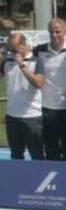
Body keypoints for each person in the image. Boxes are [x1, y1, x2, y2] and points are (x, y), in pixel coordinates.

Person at [33, 18, 66, 161]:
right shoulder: (39, 51)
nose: (54, 35)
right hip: (47, 106)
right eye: (51, 32)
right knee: (50, 147)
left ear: (65, 32)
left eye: (58, 32)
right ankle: (53, 181)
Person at [2, 32, 45, 160]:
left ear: (24, 45)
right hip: (12, 116)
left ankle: (39, 179)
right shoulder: (7, 62)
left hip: (31, 116)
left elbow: (39, 83)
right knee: (15, 155)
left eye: (14, 48)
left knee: (36, 154)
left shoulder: (37, 61)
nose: (12, 52)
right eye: (10, 48)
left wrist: (22, 65)